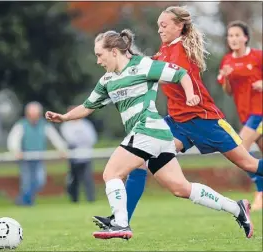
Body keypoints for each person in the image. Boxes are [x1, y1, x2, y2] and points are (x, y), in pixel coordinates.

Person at [46, 29, 255, 240]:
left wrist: (191, 95)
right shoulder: (107, 80)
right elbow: (87, 106)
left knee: (111, 173)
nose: (98, 60)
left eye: (100, 55)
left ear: (115, 51)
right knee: (181, 188)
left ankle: (120, 223)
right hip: (159, 137)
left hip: (148, 130)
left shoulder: (142, 66)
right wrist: (64, 118)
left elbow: (180, 73)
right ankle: (237, 208)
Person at [92, 6, 263, 238]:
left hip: (205, 120)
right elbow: (148, 64)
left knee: (250, 165)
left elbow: (172, 72)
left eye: (164, 25)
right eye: (159, 25)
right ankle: (121, 222)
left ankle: (239, 208)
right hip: (176, 123)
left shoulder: (183, 49)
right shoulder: (164, 49)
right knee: (142, 160)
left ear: (179, 26)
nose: (159, 29)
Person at [218, 20, 262, 211]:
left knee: (240, 150)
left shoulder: (258, 56)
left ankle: (260, 191)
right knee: (253, 157)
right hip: (245, 114)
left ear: (245, 38)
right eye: (230, 36)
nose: (234, 39)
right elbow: (227, 91)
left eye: (237, 35)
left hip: (259, 112)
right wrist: (227, 77)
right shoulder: (227, 61)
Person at [7, 101, 67, 206]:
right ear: (27, 114)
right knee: (26, 182)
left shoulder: (44, 125)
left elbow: (54, 138)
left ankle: (22, 200)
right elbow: (13, 139)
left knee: (40, 182)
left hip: (39, 158)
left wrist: (62, 149)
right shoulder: (21, 125)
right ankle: (27, 203)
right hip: (25, 159)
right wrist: (16, 151)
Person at [60, 106, 97, 203]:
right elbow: (71, 140)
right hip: (73, 157)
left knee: (88, 179)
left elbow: (92, 139)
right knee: (73, 180)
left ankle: (91, 199)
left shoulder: (86, 124)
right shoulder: (66, 126)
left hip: (86, 156)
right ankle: (74, 200)